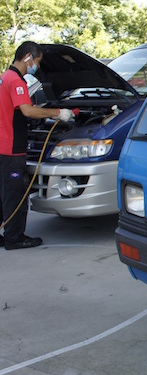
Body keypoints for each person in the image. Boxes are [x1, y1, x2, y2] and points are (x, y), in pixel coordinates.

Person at [0, 41, 75, 250]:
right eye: (37, 61)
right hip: (12, 147)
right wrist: (57, 113)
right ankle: (14, 238)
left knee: (3, 193)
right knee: (15, 194)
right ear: (28, 58)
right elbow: (27, 111)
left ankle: (4, 234)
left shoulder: (4, 78)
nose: (37, 67)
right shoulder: (16, 81)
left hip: (2, 146)